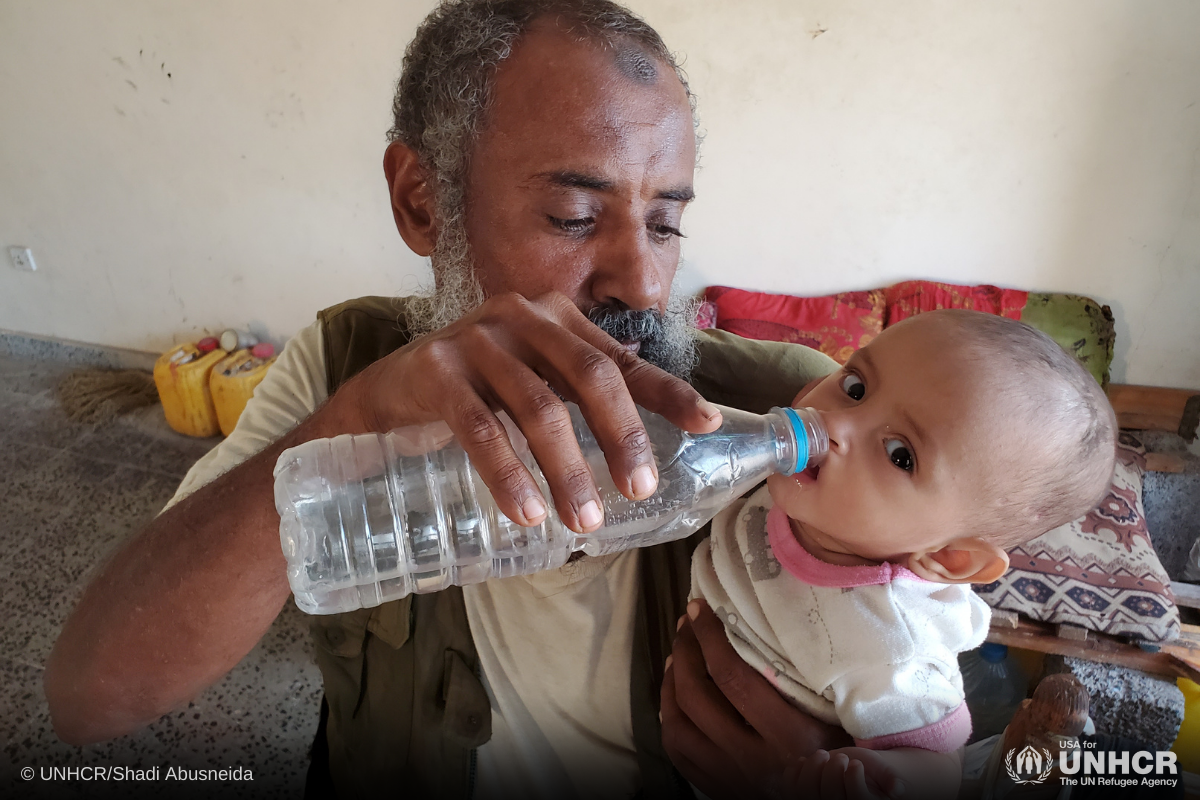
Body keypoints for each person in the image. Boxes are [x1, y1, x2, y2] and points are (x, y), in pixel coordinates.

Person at [44, 1, 849, 797]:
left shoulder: (789, 411)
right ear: (423, 201)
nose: (642, 282)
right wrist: (353, 421)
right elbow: (91, 698)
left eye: (665, 224)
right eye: (574, 217)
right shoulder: (341, 366)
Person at [690, 309, 1117, 798]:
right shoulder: (810, 493)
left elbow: (940, 764)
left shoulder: (890, 643)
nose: (835, 425)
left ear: (951, 558)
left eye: (900, 455)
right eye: (855, 387)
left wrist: (873, 776)